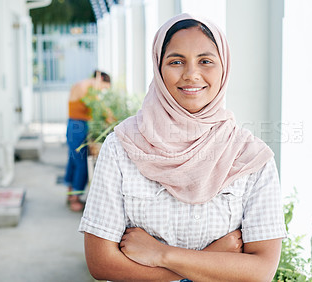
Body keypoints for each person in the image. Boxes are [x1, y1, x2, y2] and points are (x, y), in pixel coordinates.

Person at [79, 13, 286, 281]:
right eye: (176, 61)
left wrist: (160, 254)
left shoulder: (249, 156)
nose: (191, 74)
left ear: (224, 68)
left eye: (206, 61)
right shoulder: (121, 147)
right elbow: (101, 262)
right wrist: (213, 259)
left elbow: (261, 271)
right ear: (158, 67)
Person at [64, 70, 111, 212]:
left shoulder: (83, 85)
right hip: (77, 126)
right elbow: (99, 107)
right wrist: (110, 118)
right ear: (100, 79)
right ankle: (75, 198)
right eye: (103, 87)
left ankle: (71, 193)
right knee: (81, 163)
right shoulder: (85, 87)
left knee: (74, 160)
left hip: (76, 125)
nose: (101, 90)